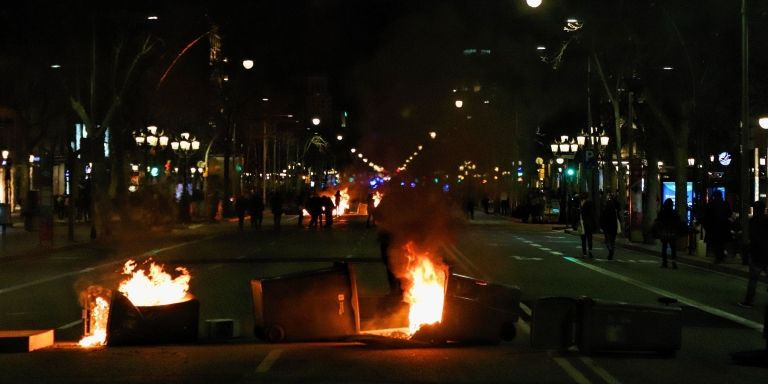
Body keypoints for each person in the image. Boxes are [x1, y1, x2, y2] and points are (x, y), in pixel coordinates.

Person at [738, 200, 768, 308]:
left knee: (753, 279)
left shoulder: (753, 221)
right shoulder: (766, 220)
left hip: (757, 254)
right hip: (766, 252)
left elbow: (752, 237)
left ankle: (749, 301)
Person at [654, 198, 684, 269]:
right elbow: (678, 222)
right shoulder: (674, 212)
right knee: (673, 248)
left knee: (664, 247)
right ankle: (674, 262)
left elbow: (658, 221)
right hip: (672, 232)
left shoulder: (662, 212)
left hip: (664, 232)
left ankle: (665, 263)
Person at [703, 190, 732, 264]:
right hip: (723, 227)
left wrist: (706, 226)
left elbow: (706, 216)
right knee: (722, 242)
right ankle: (721, 256)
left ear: (714, 196)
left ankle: (718, 257)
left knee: (715, 243)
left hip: (713, 227)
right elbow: (729, 214)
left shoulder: (710, 204)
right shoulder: (725, 203)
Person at [600, 193, 621, 260]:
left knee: (607, 240)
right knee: (612, 240)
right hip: (614, 226)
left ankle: (610, 250)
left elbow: (602, 218)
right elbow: (619, 217)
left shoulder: (606, 209)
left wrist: (602, 226)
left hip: (607, 226)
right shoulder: (615, 210)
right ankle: (612, 251)